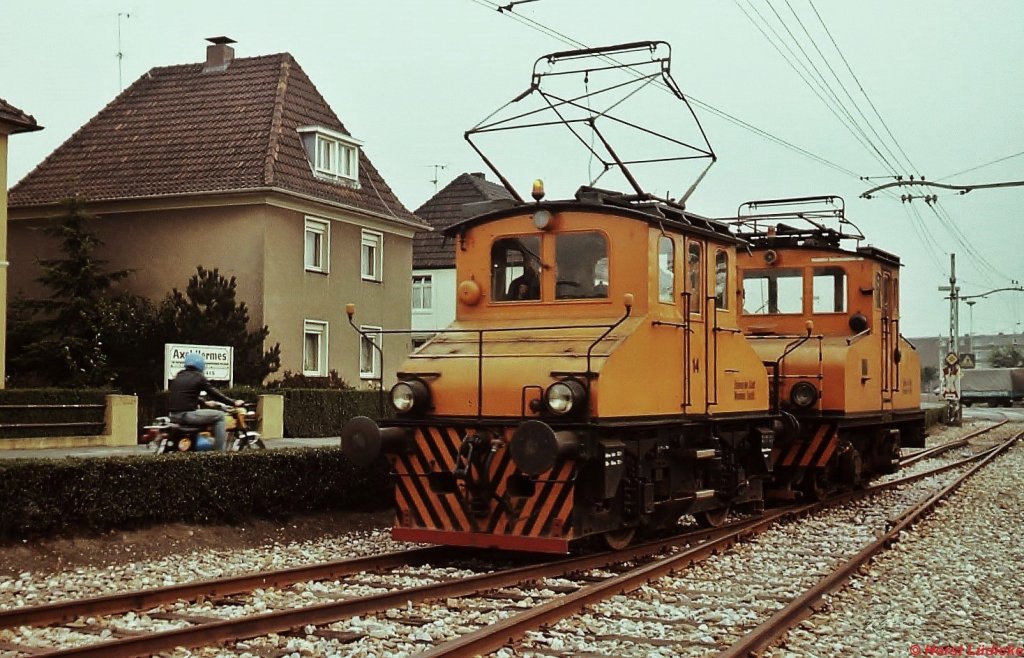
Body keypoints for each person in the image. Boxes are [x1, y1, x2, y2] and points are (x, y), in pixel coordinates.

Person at [167, 352, 244, 450]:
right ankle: (219, 454)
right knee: (220, 416)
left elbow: (187, 394)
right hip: (187, 414)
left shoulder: (179, 376)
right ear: (201, 364)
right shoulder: (199, 377)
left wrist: (204, 402)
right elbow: (214, 393)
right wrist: (233, 402)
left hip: (173, 414)